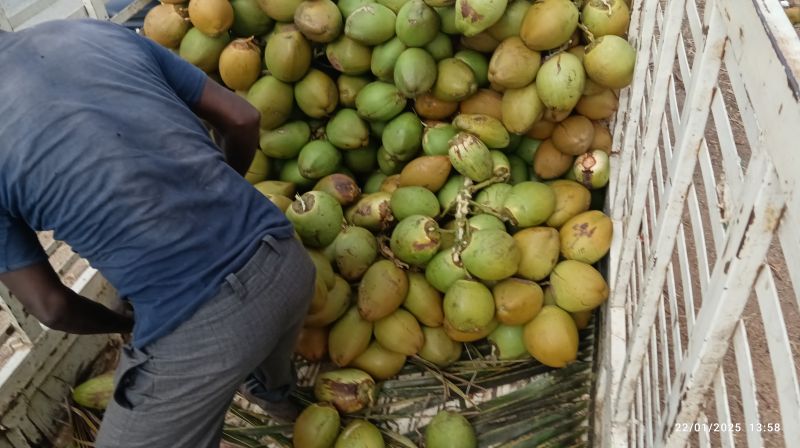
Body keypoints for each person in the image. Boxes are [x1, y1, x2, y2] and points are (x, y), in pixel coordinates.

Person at [0, 19, 315, 448]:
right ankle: (280, 400)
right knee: (262, 345)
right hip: (287, 262)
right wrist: (222, 190)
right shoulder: (93, 32)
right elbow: (243, 117)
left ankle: (265, 388)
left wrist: (124, 323)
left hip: (203, 326)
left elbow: (52, 307)